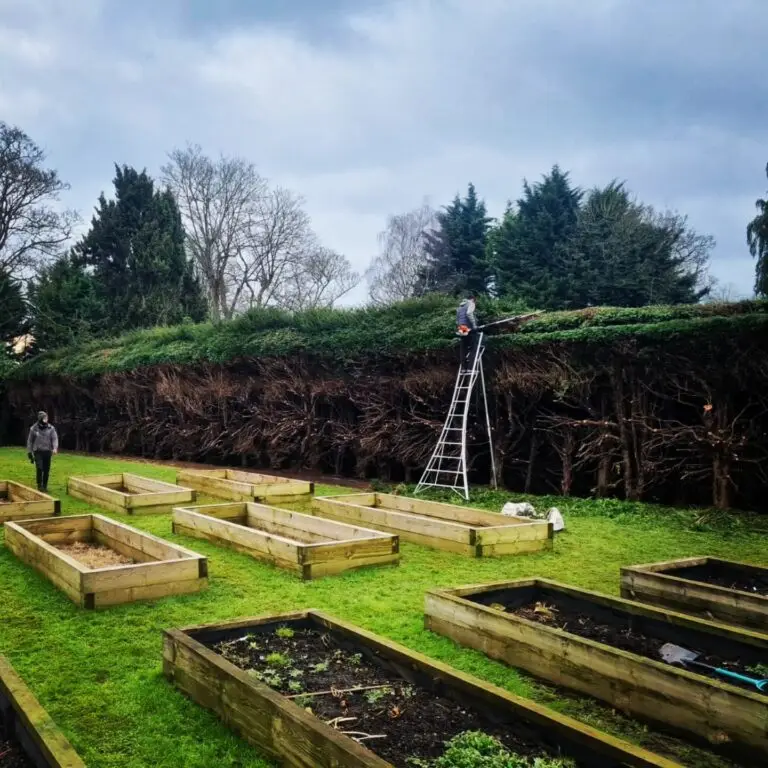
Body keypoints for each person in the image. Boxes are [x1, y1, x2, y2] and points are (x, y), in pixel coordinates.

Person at [26, 411, 58, 492]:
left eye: (46, 418)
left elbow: (54, 438)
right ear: (40, 419)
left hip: (47, 451)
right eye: (44, 418)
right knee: (39, 468)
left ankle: (45, 486)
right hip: (38, 451)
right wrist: (29, 452)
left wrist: (55, 448)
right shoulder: (34, 428)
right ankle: (39, 485)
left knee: (46, 469)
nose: (46, 419)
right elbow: (30, 441)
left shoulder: (51, 428)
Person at [456, 295, 481, 370]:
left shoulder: (459, 307)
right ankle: (470, 366)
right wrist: (474, 325)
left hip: (461, 327)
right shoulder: (471, 304)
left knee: (463, 347)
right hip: (468, 327)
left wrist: (461, 327)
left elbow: (457, 320)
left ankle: (464, 367)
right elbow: (469, 313)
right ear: (473, 299)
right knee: (473, 347)